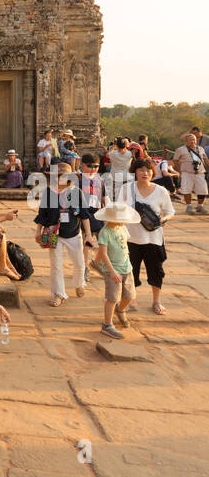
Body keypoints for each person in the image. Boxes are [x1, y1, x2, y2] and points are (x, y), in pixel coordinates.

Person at [34, 162, 95, 307]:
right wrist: (38, 231)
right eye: (58, 176)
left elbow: (84, 215)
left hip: (73, 233)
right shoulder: (48, 193)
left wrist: (89, 234)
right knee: (56, 265)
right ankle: (58, 293)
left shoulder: (76, 192)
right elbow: (42, 214)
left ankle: (79, 283)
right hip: (54, 233)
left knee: (79, 263)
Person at [127, 158, 175, 315]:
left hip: (153, 238)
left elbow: (170, 211)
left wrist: (164, 219)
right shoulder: (127, 189)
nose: (145, 173)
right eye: (141, 170)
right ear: (134, 172)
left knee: (156, 270)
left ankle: (156, 301)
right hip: (130, 237)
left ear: (153, 172)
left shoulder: (160, 191)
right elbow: (119, 210)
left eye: (148, 170)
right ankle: (131, 299)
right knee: (129, 270)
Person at [94, 202, 140, 339]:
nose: (123, 222)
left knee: (130, 295)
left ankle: (120, 311)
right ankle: (107, 324)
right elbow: (103, 253)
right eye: (121, 220)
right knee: (112, 297)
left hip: (127, 267)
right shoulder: (105, 232)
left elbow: (124, 246)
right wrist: (112, 271)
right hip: (113, 269)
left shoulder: (123, 229)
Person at [76, 152, 107, 284]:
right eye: (90, 166)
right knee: (86, 243)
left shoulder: (100, 180)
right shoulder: (78, 179)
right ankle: (85, 268)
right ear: (83, 166)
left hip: (98, 212)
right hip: (83, 213)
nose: (94, 169)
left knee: (104, 242)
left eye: (96, 166)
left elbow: (104, 197)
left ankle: (96, 262)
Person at [173, 134, 209, 213]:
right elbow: (175, 160)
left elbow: (205, 159)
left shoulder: (200, 149)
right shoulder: (180, 149)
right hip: (187, 173)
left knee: (202, 190)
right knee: (186, 190)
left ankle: (200, 206)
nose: (193, 141)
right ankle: (189, 206)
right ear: (186, 141)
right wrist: (180, 171)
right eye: (190, 140)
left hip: (200, 173)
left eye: (194, 139)